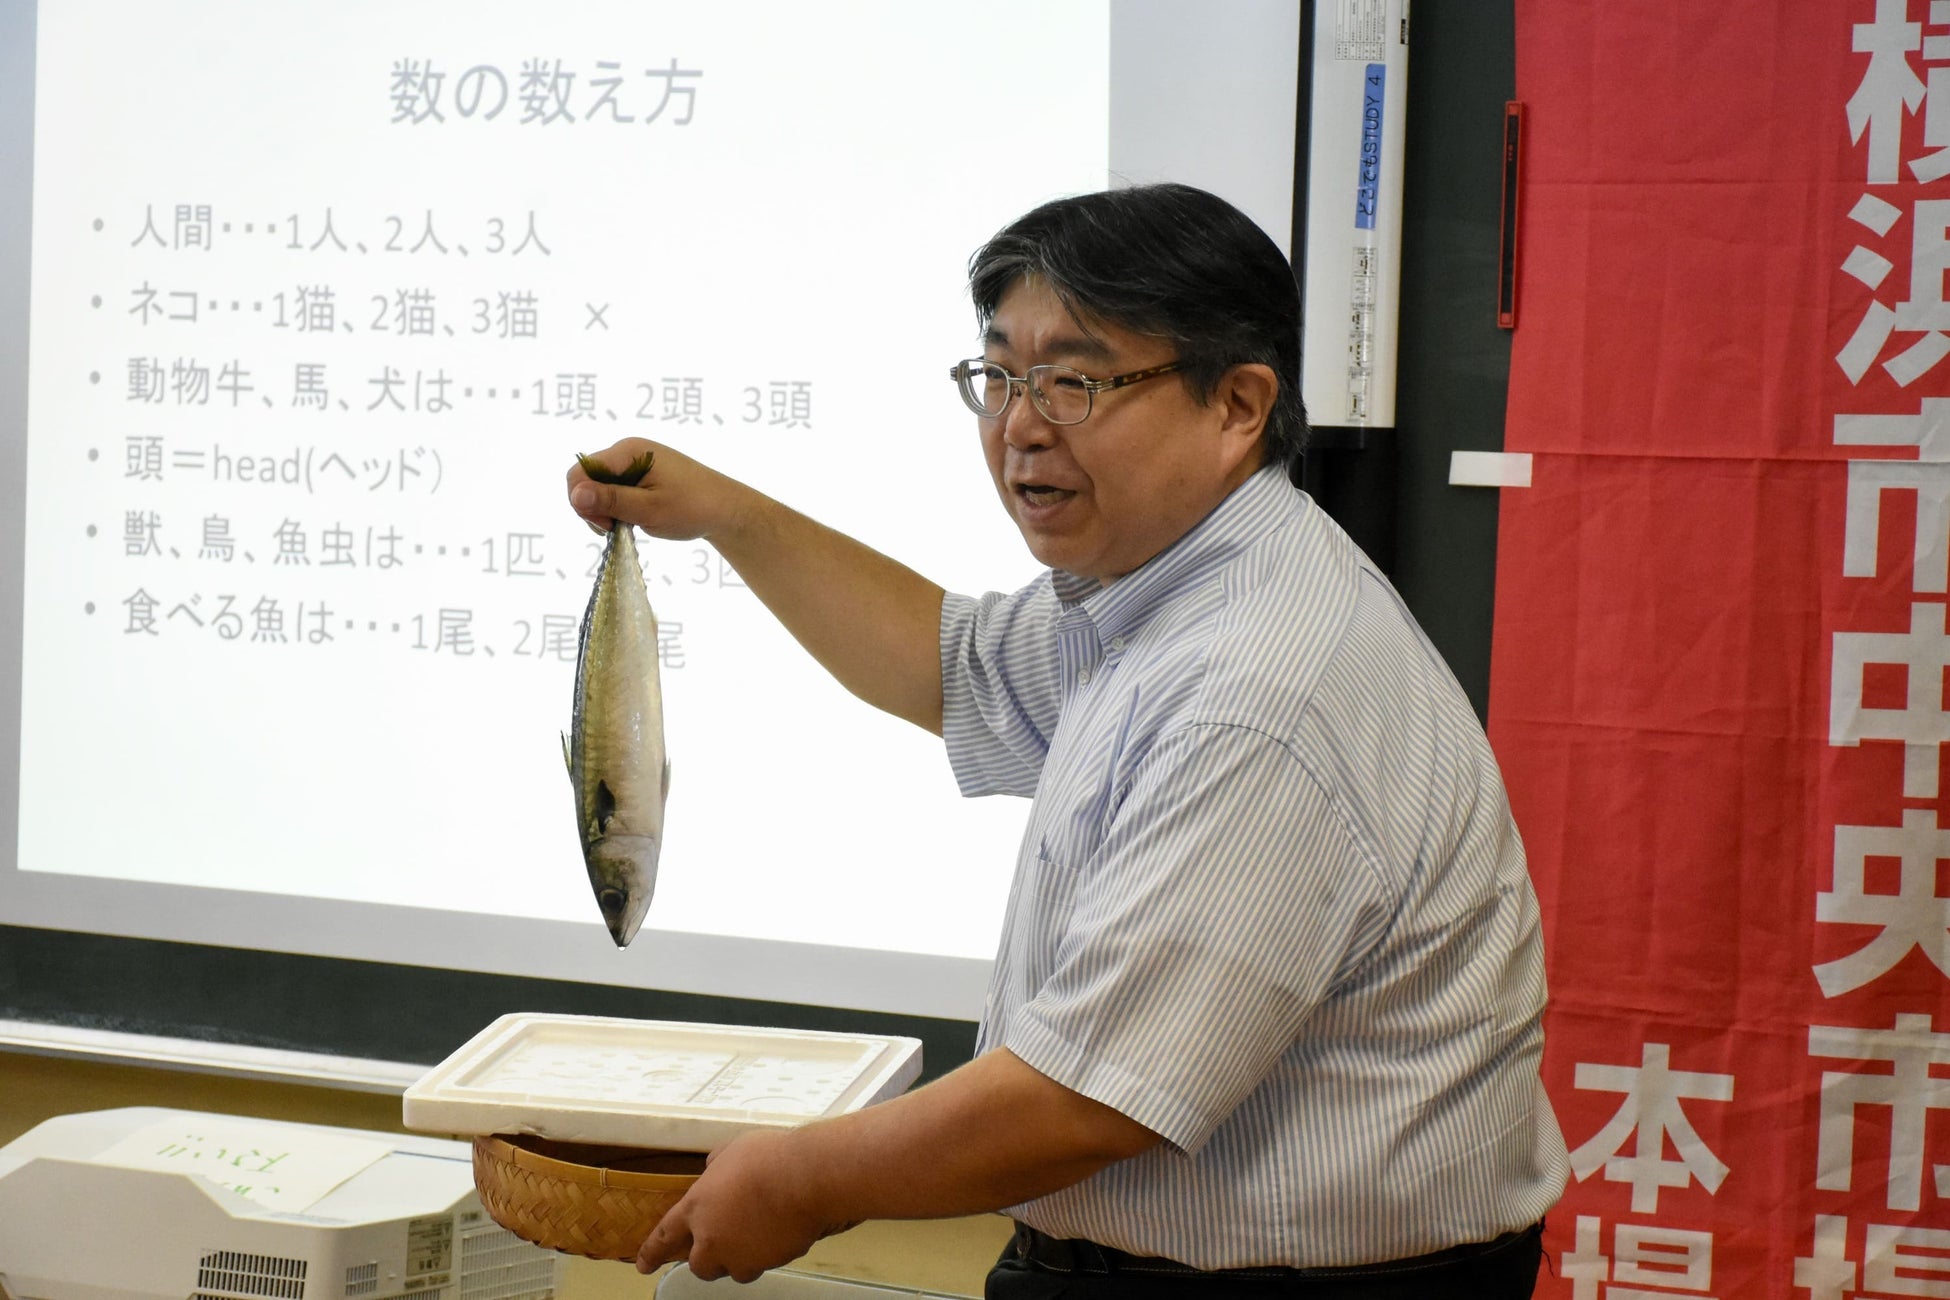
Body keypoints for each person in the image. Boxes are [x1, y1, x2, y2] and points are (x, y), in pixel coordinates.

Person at [566, 182, 1569, 1296]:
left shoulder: (1259, 687)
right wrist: (717, 510)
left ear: (1238, 404)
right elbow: (951, 666)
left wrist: (804, 1180)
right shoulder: (1167, 580)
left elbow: (1084, 1099)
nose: (1021, 425)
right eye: (1000, 376)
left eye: (1077, 381)